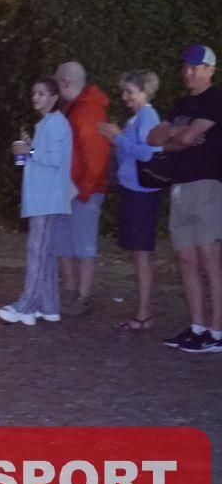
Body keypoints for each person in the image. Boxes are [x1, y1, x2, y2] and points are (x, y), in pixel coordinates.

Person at [146, 45, 222, 354]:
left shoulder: (214, 100)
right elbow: (154, 138)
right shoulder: (181, 104)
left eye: (195, 67)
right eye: (185, 67)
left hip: (206, 185)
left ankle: (217, 331)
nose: (188, 72)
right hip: (180, 186)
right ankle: (197, 326)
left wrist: (174, 135)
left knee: (210, 260)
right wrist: (178, 134)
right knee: (186, 259)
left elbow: (187, 139)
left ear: (210, 69)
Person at [0, 78, 75, 326]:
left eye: (41, 94)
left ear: (54, 98)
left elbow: (54, 158)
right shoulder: (47, 124)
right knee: (45, 253)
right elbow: (45, 157)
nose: (35, 98)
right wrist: (30, 149)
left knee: (37, 251)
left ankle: (26, 304)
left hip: (46, 198)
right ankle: (49, 306)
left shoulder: (56, 123)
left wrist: (29, 151)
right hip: (43, 196)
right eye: (34, 93)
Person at [96, 70, 163, 330]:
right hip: (133, 190)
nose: (125, 97)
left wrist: (117, 138)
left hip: (141, 193)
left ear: (145, 92)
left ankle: (145, 313)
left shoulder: (147, 116)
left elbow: (147, 154)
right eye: (124, 91)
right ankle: (143, 310)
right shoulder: (137, 118)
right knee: (138, 253)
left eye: (130, 92)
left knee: (142, 253)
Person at [53, 61, 110, 317]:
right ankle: (71, 290)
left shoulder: (86, 110)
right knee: (66, 242)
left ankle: (82, 295)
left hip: (82, 190)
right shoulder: (77, 109)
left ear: (65, 82)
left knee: (83, 244)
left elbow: (95, 155)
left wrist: (85, 190)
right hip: (72, 188)